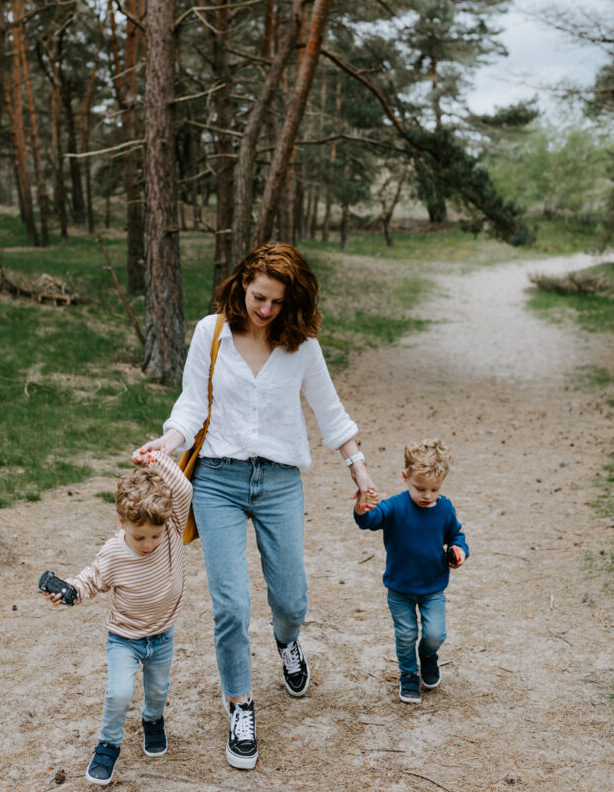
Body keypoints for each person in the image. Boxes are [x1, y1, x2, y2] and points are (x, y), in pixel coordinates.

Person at [134, 242, 375, 770]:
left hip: (280, 480)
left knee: (289, 600)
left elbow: (330, 412)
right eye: (257, 297)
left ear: (291, 302)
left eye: (275, 302)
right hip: (218, 480)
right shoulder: (211, 331)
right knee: (232, 606)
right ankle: (240, 707)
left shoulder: (301, 345)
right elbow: (192, 404)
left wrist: (357, 467)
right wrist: (166, 443)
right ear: (242, 283)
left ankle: (288, 643)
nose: (264, 310)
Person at [41, 460, 192, 786]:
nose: (149, 544)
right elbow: (90, 581)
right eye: (139, 537)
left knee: (158, 689)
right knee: (119, 692)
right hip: (125, 638)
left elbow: (183, 488)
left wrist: (157, 458)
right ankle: (108, 744)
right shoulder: (114, 553)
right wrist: (70, 591)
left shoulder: (172, 528)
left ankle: (153, 720)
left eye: (154, 535)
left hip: (163, 634)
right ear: (121, 521)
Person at [353, 438, 469, 705]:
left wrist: (458, 552)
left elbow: (456, 536)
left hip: (433, 586)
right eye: (420, 488)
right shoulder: (395, 507)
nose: (427, 495)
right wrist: (362, 505)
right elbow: (369, 520)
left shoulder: (444, 508)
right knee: (405, 635)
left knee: (435, 634)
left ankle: (428, 656)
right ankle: (408, 674)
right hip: (400, 588)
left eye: (434, 489)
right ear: (405, 477)